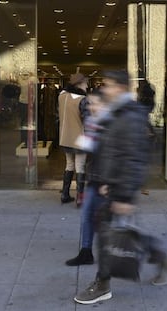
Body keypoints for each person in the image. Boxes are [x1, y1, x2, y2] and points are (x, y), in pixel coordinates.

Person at [74, 70, 167, 305]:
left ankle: (102, 284)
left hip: (121, 190)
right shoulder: (115, 113)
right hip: (111, 186)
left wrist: (123, 195)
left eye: (110, 85)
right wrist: (103, 181)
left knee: (109, 236)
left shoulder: (130, 116)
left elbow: (135, 158)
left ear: (122, 88)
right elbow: (109, 151)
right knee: (121, 234)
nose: (106, 90)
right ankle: (163, 260)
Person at [65, 88, 111, 266]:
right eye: (89, 103)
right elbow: (91, 148)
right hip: (95, 178)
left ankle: (155, 254)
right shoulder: (93, 122)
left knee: (112, 224)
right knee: (87, 215)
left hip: (106, 180)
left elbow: (114, 155)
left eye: (95, 103)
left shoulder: (111, 123)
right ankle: (86, 251)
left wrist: (109, 182)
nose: (91, 107)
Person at [58, 73, 90, 207]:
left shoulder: (61, 96)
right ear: (79, 84)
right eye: (85, 83)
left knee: (69, 164)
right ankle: (80, 198)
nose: (87, 86)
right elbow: (87, 120)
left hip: (65, 137)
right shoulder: (82, 100)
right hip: (80, 139)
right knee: (80, 167)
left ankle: (65, 194)